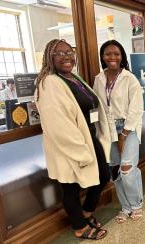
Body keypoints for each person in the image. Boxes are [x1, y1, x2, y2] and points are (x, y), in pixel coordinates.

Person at [35, 39, 111, 240]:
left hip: (88, 137)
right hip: (69, 145)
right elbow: (58, 126)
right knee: (70, 185)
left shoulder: (73, 77)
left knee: (103, 175)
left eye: (69, 52)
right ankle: (79, 227)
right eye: (59, 53)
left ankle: (86, 213)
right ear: (49, 57)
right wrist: (81, 151)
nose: (66, 56)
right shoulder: (49, 83)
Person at [94, 40, 144, 223]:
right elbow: (99, 105)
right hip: (107, 129)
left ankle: (136, 204)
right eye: (108, 54)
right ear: (102, 56)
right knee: (115, 170)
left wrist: (124, 133)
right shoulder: (98, 78)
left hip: (127, 127)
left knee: (127, 169)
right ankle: (125, 207)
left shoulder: (129, 78)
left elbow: (137, 108)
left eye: (116, 53)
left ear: (122, 56)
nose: (112, 57)